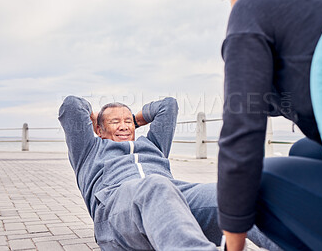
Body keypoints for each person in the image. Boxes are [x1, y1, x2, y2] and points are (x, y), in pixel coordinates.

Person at [216, 0, 322, 250]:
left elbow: (241, 137)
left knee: (257, 184)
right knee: (305, 151)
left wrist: (233, 244)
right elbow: (296, 88)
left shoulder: (252, 4)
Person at [58, 95, 222, 250]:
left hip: (172, 195)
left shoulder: (153, 145)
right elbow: (72, 105)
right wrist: (95, 119)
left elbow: (168, 106)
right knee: (155, 185)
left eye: (128, 121)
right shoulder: (90, 151)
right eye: (115, 122)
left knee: (232, 193)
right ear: (99, 130)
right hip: (117, 206)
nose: (124, 126)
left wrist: (135, 120)